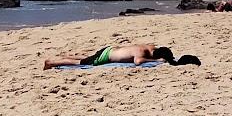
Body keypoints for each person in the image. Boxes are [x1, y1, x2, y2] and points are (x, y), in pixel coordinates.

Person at [43, 43, 201, 70]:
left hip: (110, 49)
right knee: (81, 63)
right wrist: (157, 61)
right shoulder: (144, 53)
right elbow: (138, 62)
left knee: (84, 58)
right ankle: (51, 62)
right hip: (106, 57)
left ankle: (64, 56)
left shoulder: (151, 47)